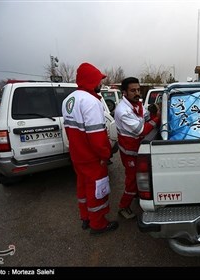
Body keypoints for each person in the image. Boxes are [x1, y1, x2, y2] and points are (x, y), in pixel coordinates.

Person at [62, 62, 119, 235]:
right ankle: (98, 224)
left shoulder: (68, 100)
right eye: (98, 80)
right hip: (93, 157)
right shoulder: (91, 102)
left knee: (83, 187)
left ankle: (85, 217)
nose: (100, 83)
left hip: (77, 155)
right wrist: (105, 154)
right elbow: (97, 135)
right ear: (91, 81)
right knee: (97, 190)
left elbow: (70, 130)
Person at [114, 77, 161, 219]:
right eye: (133, 90)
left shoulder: (137, 104)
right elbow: (141, 130)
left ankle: (135, 195)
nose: (137, 93)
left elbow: (144, 116)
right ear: (124, 93)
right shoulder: (123, 111)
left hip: (137, 149)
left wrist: (152, 111)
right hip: (129, 152)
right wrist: (157, 118)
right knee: (132, 181)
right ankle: (123, 207)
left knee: (138, 177)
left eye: (138, 90)